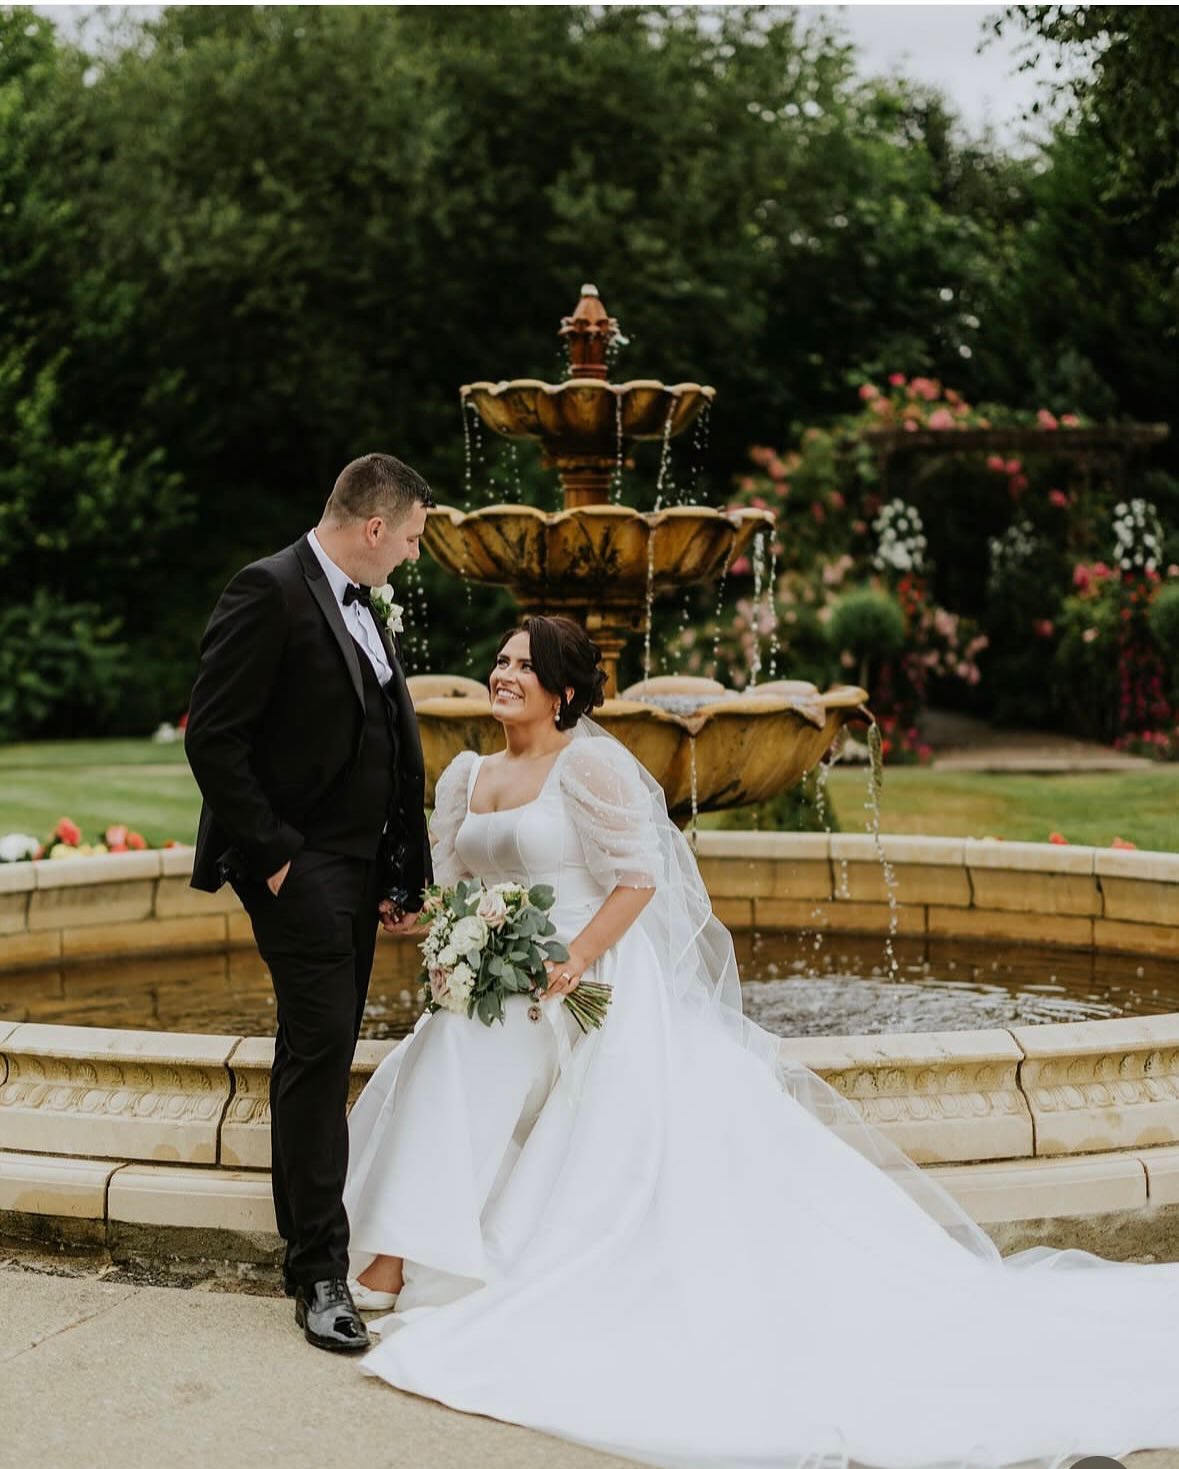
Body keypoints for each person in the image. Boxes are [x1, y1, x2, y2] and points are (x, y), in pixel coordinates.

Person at [343, 613, 1179, 1469]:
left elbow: (637, 877)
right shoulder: (469, 776)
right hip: (499, 972)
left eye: (523, 665)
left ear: (561, 691)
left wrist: (573, 960)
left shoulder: (587, 766)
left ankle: (394, 1259)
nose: (503, 673)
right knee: (448, 1042)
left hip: (587, 980)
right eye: (500, 660)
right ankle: (399, 1253)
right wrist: (427, 926)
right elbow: (454, 887)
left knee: (458, 1048)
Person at [185, 452, 433, 1353]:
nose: (412, 554)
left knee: (317, 1048)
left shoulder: (364, 602)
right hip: (300, 865)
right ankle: (319, 1272)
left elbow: (389, 738)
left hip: (360, 866)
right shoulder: (268, 590)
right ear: (374, 526)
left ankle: (312, 1249)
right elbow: (213, 738)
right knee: (322, 1053)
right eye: (410, 538)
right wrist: (278, 857)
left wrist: (403, 869)